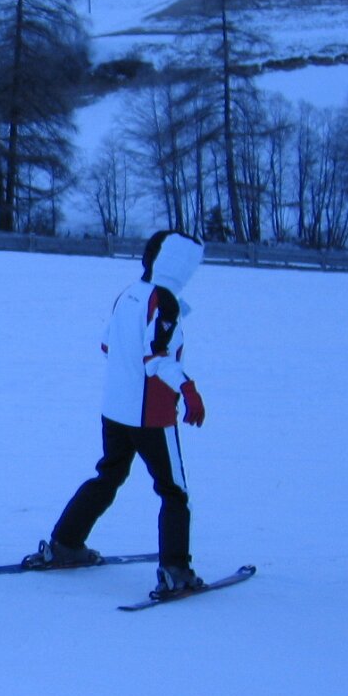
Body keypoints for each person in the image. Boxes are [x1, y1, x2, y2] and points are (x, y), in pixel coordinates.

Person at [29, 230, 208, 598]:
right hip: (151, 416)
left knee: (108, 476)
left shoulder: (129, 294)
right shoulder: (164, 302)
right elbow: (156, 360)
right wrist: (188, 390)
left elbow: (106, 344)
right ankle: (175, 571)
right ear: (175, 264)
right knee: (174, 492)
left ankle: (65, 543)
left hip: (114, 411)